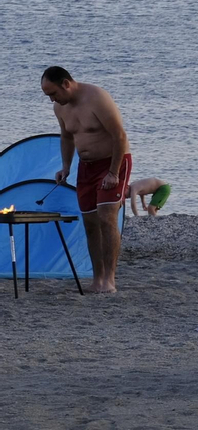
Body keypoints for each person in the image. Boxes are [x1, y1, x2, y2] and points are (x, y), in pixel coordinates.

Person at [42, 66, 130, 294]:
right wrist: (65, 167)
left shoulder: (97, 97)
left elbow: (119, 135)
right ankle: (97, 279)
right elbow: (66, 136)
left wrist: (113, 172)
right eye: (48, 96)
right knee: (90, 223)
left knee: (107, 218)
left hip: (112, 162)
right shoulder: (59, 108)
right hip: (86, 167)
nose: (52, 99)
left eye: (53, 93)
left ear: (66, 84)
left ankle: (109, 280)